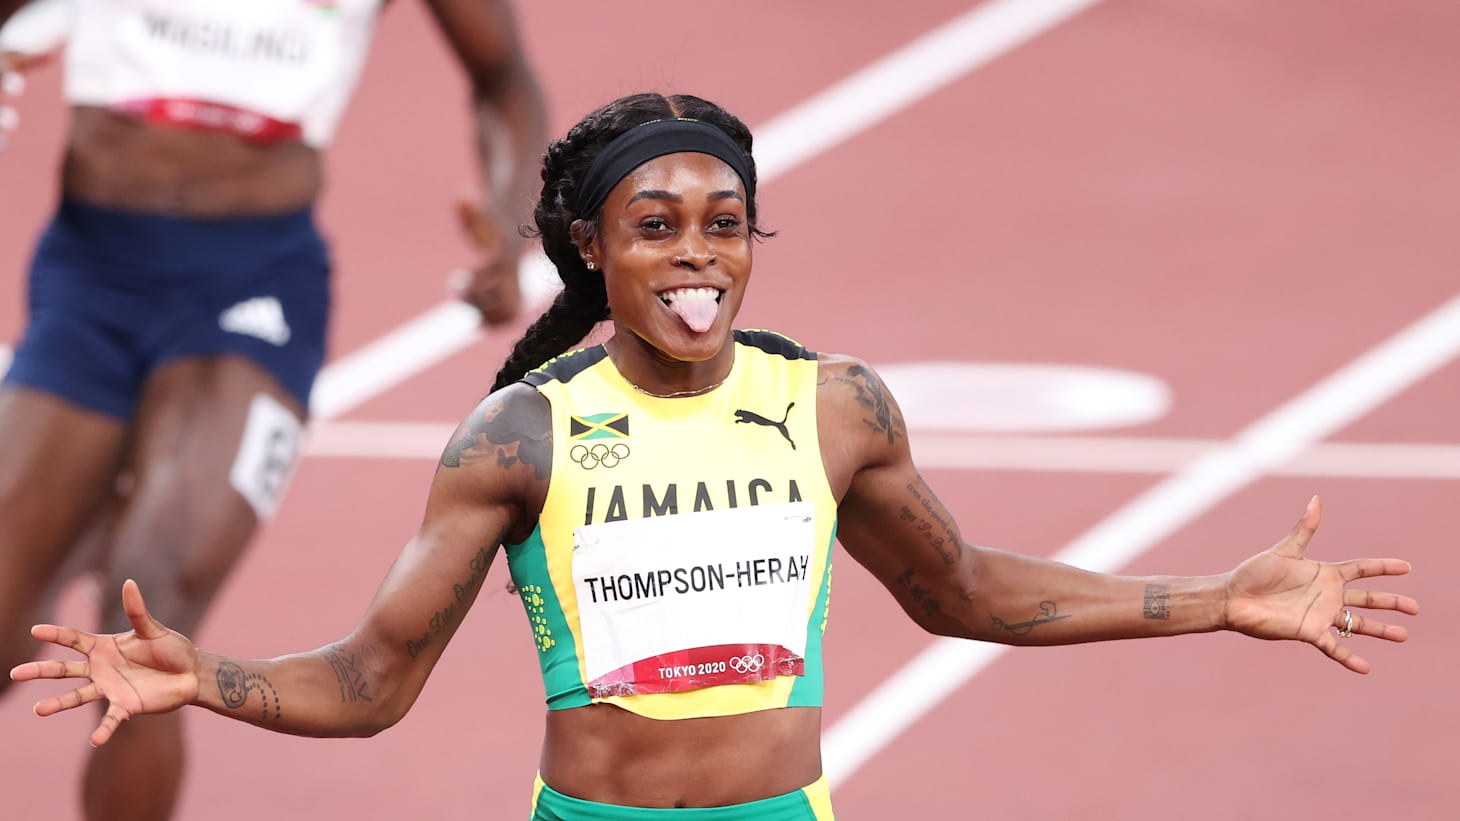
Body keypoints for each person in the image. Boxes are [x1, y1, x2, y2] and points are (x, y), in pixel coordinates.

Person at [8, 92, 1419, 821]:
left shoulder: (833, 407)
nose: (697, 255)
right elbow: (373, 683)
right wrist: (209, 678)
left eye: (724, 223)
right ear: (592, 247)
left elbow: (966, 591)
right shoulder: (521, 434)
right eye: (657, 226)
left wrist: (1216, 597)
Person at [0, 1, 546, 819]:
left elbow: (503, 76)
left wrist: (509, 226)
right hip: (89, 282)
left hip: (253, 293)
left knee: (146, 614)